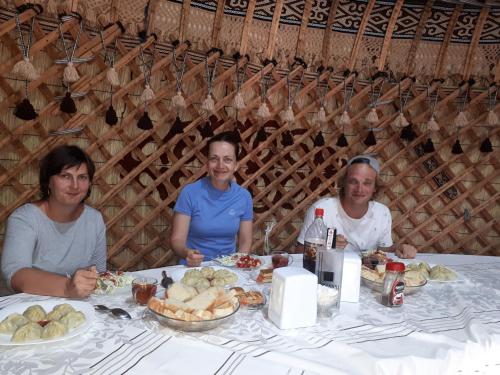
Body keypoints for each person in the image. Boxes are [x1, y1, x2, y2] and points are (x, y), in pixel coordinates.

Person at [1, 145, 106, 297]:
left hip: (78, 306)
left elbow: (99, 273)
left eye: (82, 177)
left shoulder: (94, 219)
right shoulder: (25, 218)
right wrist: (67, 287)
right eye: (65, 176)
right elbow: (15, 274)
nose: (75, 185)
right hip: (27, 307)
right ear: (48, 182)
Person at [296, 154, 417, 258]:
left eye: (367, 183)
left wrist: (398, 248)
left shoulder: (382, 213)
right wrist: (328, 245)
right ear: (344, 183)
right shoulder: (322, 209)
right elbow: (299, 253)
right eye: (353, 181)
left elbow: (382, 251)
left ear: (375, 187)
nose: (359, 189)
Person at [170, 131, 253, 267]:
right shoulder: (190, 193)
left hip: (229, 267)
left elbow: (245, 240)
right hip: (195, 268)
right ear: (207, 163)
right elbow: (177, 239)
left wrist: (239, 264)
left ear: (236, 165)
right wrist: (187, 253)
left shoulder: (244, 197)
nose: (220, 165)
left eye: (227, 159)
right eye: (214, 159)